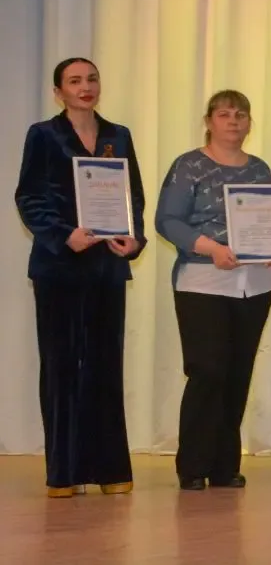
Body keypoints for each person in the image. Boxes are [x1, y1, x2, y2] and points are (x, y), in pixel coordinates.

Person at [15, 58, 145, 497]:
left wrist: (134, 238)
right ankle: (64, 473)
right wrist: (63, 234)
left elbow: (133, 197)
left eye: (91, 79)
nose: (85, 87)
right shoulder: (43, 134)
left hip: (107, 266)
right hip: (59, 266)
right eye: (74, 81)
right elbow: (28, 197)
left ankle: (110, 469)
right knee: (62, 367)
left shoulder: (118, 135)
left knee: (106, 366)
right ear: (59, 92)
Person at [155, 90, 271, 490]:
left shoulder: (259, 169)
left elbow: (267, 219)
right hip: (202, 281)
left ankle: (225, 465)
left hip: (254, 285)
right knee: (207, 372)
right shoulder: (188, 165)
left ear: (250, 122)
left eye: (241, 114)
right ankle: (193, 464)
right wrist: (211, 248)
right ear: (209, 121)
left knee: (238, 375)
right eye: (224, 114)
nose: (234, 121)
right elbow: (168, 221)